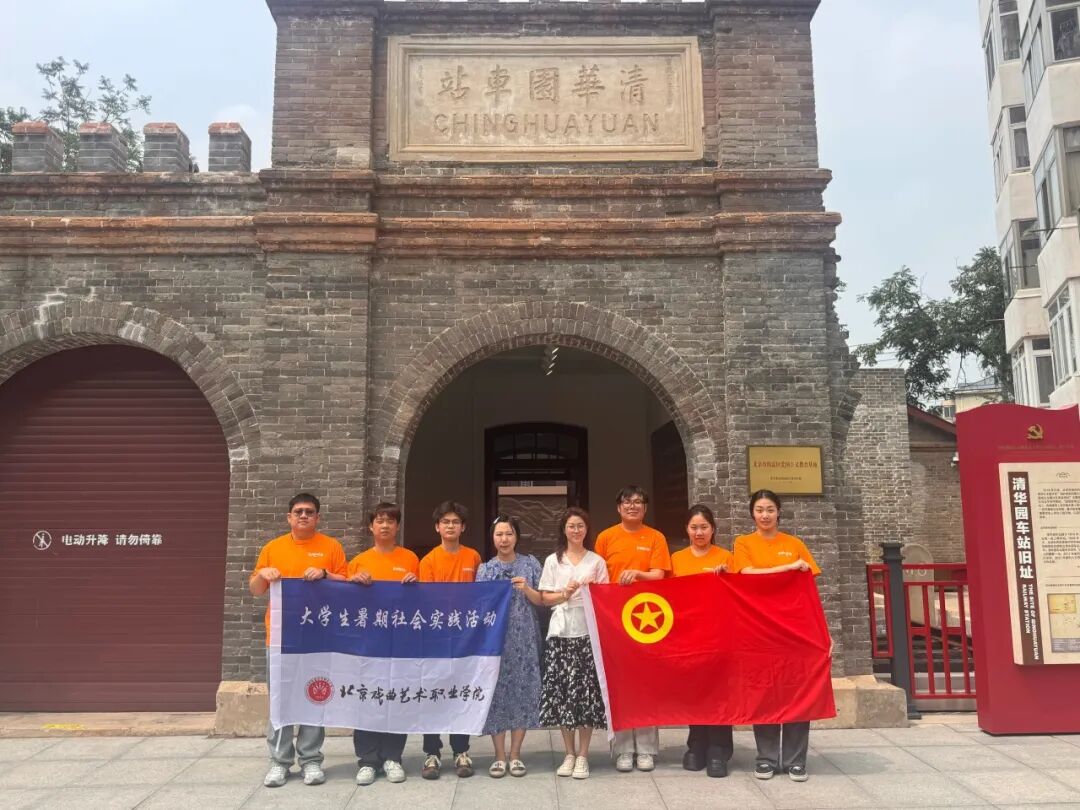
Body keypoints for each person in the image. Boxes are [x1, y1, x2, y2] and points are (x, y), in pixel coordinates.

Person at [249, 492, 347, 788]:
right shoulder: (273, 548)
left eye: (309, 512)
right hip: (280, 637)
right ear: (289, 517)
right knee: (281, 699)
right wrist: (263, 574)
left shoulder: (331, 546)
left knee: (315, 695)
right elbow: (255, 589)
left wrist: (326, 574)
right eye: (299, 511)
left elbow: (346, 583)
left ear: (318, 517)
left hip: (318, 636)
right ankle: (279, 761)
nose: (304, 516)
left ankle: (311, 759)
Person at [733, 489, 827, 783]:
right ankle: (766, 758)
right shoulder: (743, 543)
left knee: (798, 690)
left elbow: (809, 593)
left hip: (794, 630)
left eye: (770, 509)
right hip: (759, 630)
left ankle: (796, 760)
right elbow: (745, 573)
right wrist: (787, 567)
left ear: (779, 513)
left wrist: (821, 632)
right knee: (765, 693)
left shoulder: (794, 544)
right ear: (752, 513)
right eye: (760, 510)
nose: (765, 515)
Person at [594, 485, 671, 772]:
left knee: (646, 683)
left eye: (638, 502)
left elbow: (660, 574)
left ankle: (647, 749)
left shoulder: (655, 537)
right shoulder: (606, 537)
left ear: (645, 508)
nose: (632, 506)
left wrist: (638, 574)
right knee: (620, 683)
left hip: (647, 620)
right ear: (618, 507)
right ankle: (623, 749)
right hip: (614, 620)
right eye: (627, 502)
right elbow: (598, 576)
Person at [345, 502, 419, 787]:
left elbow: (422, 602)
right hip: (367, 643)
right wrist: (353, 583)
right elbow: (346, 604)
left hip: (399, 643)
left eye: (390, 521)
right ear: (371, 526)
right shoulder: (359, 561)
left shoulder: (410, 559)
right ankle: (367, 760)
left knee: (396, 698)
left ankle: (392, 757)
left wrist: (416, 583)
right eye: (379, 520)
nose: (385, 525)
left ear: (397, 526)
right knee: (366, 698)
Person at [537, 507, 609, 780]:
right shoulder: (553, 561)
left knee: (585, 694)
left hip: (587, 632)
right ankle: (568, 753)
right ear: (564, 529)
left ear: (586, 529)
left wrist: (592, 590)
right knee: (563, 693)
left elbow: (606, 599)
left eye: (580, 526)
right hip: (561, 633)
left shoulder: (596, 561)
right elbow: (544, 598)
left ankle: (583, 755)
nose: (576, 530)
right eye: (571, 526)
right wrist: (565, 594)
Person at [418, 500, 482, 780]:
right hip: (436, 637)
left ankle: (461, 750)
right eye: (445, 522)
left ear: (463, 527)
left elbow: (481, 596)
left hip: (465, 638)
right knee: (433, 693)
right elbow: (427, 601)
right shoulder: (428, 561)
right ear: (437, 527)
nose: (450, 526)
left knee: (460, 693)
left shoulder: (473, 557)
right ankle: (431, 752)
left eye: (456, 522)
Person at [475, 515, 543, 778]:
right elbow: (479, 606)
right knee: (497, 693)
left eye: (509, 534)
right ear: (492, 538)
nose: (504, 539)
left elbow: (542, 600)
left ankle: (515, 754)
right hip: (495, 640)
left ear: (517, 537)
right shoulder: (485, 569)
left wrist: (527, 589)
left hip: (524, 637)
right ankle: (499, 755)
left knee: (522, 692)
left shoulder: (530, 564)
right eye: (499, 534)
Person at [670, 504, 734, 778]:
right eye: (694, 527)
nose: (699, 532)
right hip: (689, 636)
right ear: (687, 529)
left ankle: (719, 749)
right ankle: (696, 745)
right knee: (695, 692)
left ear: (713, 529)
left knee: (718, 693)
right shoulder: (677, 559)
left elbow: (740, 595)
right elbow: (668, 597)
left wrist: (727, 577)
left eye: (704, 527)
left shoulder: (726, 557)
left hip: (719, 635)